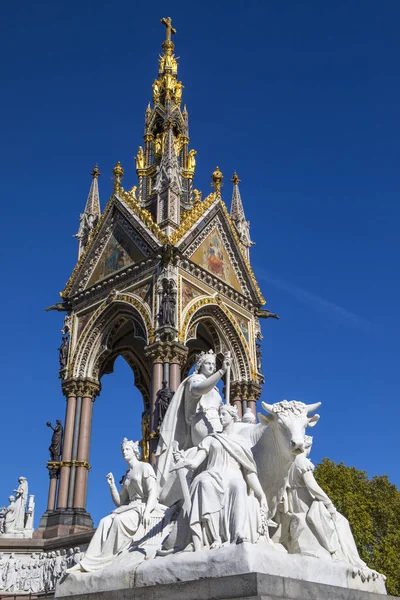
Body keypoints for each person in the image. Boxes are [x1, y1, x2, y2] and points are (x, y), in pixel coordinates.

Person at [174, 404, 269, 550]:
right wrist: (183, 460)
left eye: (223, 414)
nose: (220, 417)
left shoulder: (242, 441)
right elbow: (195, 463)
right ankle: (215, 538)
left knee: (239, 486)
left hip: (234, 476)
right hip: (213, 474)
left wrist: (261, 494)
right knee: (203, 483)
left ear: (232, 416)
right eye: (219, 414)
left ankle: (238, 532)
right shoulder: (211, 439)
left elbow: (249, 472)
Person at [70, 439, 161, 572]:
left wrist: (147, 511)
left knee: (118, 521)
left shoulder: (145, 467)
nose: (124, 452)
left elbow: (153, 492)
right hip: (130, 507)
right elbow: (120, 502)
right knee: (104, 522)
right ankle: (88, 561)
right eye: (123, 450)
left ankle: (104, 560)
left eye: (127, 449)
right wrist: (112, 485)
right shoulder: (128, 476)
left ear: (135, 451)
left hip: (141, 508)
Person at [156, 350, 230, 504]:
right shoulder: (194, 381)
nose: (211, 367)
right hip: (202, 425)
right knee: (219, 443)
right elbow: (200, 389)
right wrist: (222, 371)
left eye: (213, 364)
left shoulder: (215, 390)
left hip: (216, 422)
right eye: (207, 363)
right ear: (200, 365)